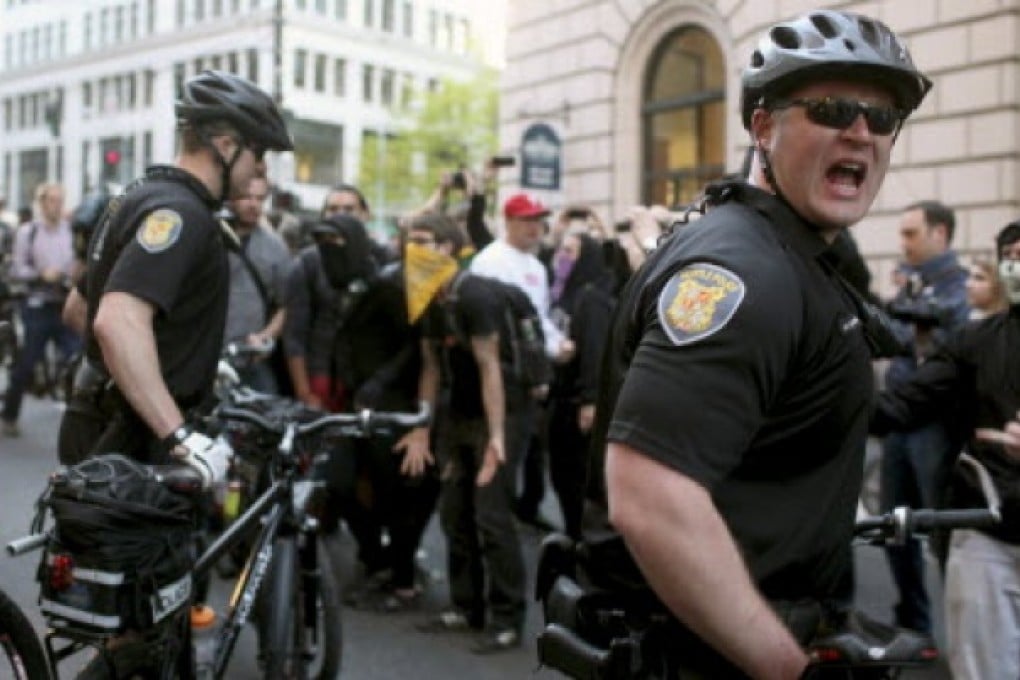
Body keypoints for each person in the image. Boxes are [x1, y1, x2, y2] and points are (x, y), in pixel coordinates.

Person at [577, 9, 931, 677]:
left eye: (882, 118)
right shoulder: (743, 271)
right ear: (763, 127)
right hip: (708, 656)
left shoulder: (789, 252)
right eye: (832, 109)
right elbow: (650, 498)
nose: (861, 132)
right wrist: (786, 669)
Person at [56, 70, 292, 477]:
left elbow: (78, 309)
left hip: (100, 425)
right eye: (258, 155)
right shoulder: (183, 214)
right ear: (226, 146)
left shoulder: (141, 195)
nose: (260, 170)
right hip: (134, 444)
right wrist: (178, 434)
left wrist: (178, 362)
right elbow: (116, 322)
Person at [872, 221, 1020, 679]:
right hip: (988, 533)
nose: (1016, 266)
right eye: (1010, 256)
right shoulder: (976, 341)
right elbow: (904, 403)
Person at [403, 212, 528, 654]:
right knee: (455, 513)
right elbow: (431, 369)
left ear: (449, 249)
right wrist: (423, 427)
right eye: (411, 240)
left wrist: (496, 439)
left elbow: (490, 368)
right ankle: (466, 605)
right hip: (458, 416)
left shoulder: (475, 295)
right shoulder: (429, 298)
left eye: (423, 241)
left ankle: (507, 617)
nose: (414, 249)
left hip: (502, 413)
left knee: (491, 517)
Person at [881, 200, 970, 632]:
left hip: (935, 424)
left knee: (941, 531)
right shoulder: (910, 283)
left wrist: (914, 316)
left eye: (911, 233)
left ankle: (964, 627)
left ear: (940, 234)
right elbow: (894, 335)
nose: (904, 243)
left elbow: (948, 334)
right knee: (893, 527)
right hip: (899, 417)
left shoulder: (960, 285)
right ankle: (915, 624)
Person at [470, 192, 574, 531]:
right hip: (502, 374)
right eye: (527, 220)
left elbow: (537, 318)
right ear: (509, 222)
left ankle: (523, 507)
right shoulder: (490, 262)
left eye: (538, 220)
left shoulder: (537, 267)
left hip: (530, 375)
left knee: (530, 448)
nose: (535, 227)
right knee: (502, 452)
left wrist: (556, 344)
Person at [2, 183, 79, 436]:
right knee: (27, 362)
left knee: (77, 358)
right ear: (42, 203)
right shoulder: (29, 232)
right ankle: (10, 415)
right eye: (52, 200)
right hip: (37, 304)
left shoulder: (70, 231)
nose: (56, 205)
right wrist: (40, 274)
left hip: (63, 304)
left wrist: (71, 275)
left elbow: (77, 263)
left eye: (60, 200)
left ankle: (79, 421)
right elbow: (17, 268)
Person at [223, 175, 291, 393]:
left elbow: (286, 305)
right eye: (246, 197)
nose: (253, 204)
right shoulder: (209, 237)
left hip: (250, 357)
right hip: (208, 355)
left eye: (260, 198)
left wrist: (266, 336)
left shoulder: (276, 247)